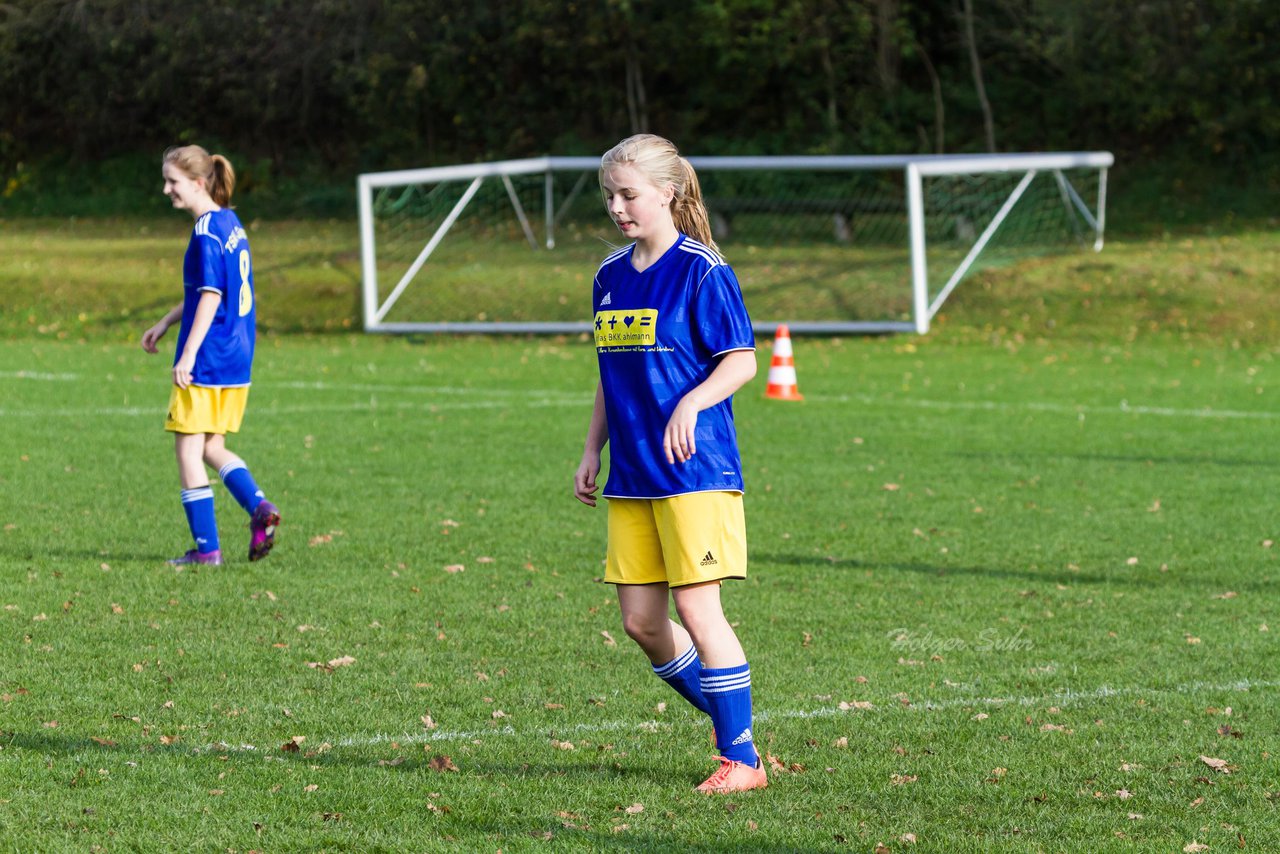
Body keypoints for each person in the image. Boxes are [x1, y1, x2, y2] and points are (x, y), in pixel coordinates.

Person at [573, 134, 764, 794]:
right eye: (610, 197)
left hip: (694, 469)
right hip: (631, 474)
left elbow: (741, 359)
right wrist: (592, 447)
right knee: (642, 623)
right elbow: (609, 372)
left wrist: (692, 403)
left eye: (629, 195)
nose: (618, 208)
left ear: (668, 193)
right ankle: (736, 731)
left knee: (699, 610)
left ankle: (742, 760)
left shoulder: (703, 270)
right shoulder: (608, 275)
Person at [141, 145, 279, 566]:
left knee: (187, 450)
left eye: (173, 182)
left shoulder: (204, 231)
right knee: (212, 446)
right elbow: (208, 289)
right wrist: (166, 321)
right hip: (238, 356)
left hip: (209, 355)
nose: (166, 190)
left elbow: (211, 295)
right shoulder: (230, 223)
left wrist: (188, 355)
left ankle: (207, 551)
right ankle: (259, 508)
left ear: (198, 183)